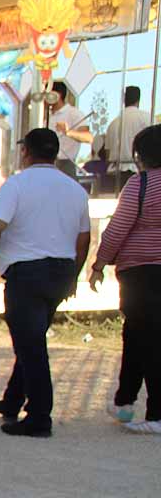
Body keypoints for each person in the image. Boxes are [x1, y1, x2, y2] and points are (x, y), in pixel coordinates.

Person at [0, 128, 91, 438]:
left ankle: (39, 417)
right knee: (31, 337)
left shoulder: (17, 184)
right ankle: (12, 400)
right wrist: (74, 274)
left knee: (31, 344)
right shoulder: (74, 189)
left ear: (26, 152)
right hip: (61, 271)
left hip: (27, 272)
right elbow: (84, 237)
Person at [89, 124, 161, 434]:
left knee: (145, 340)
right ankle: (124, 403)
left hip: (141, 273)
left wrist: (99, 263)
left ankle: (157, 415)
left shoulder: (140, 184)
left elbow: (118, 228)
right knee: (135, 336)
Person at [104, 86, 151, 193]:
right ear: (138, 100)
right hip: (138, 171)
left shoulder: (113, 123)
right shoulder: (146, 118)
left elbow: (107, 153)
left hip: (115, 172)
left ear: (124, 100)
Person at [48, 82, 93, 179]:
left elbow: (88, 137)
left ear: (57, 95)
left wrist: (68, 132)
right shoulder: (46, 115)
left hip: (65, 164)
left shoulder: (74, 113)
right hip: (47, 164)